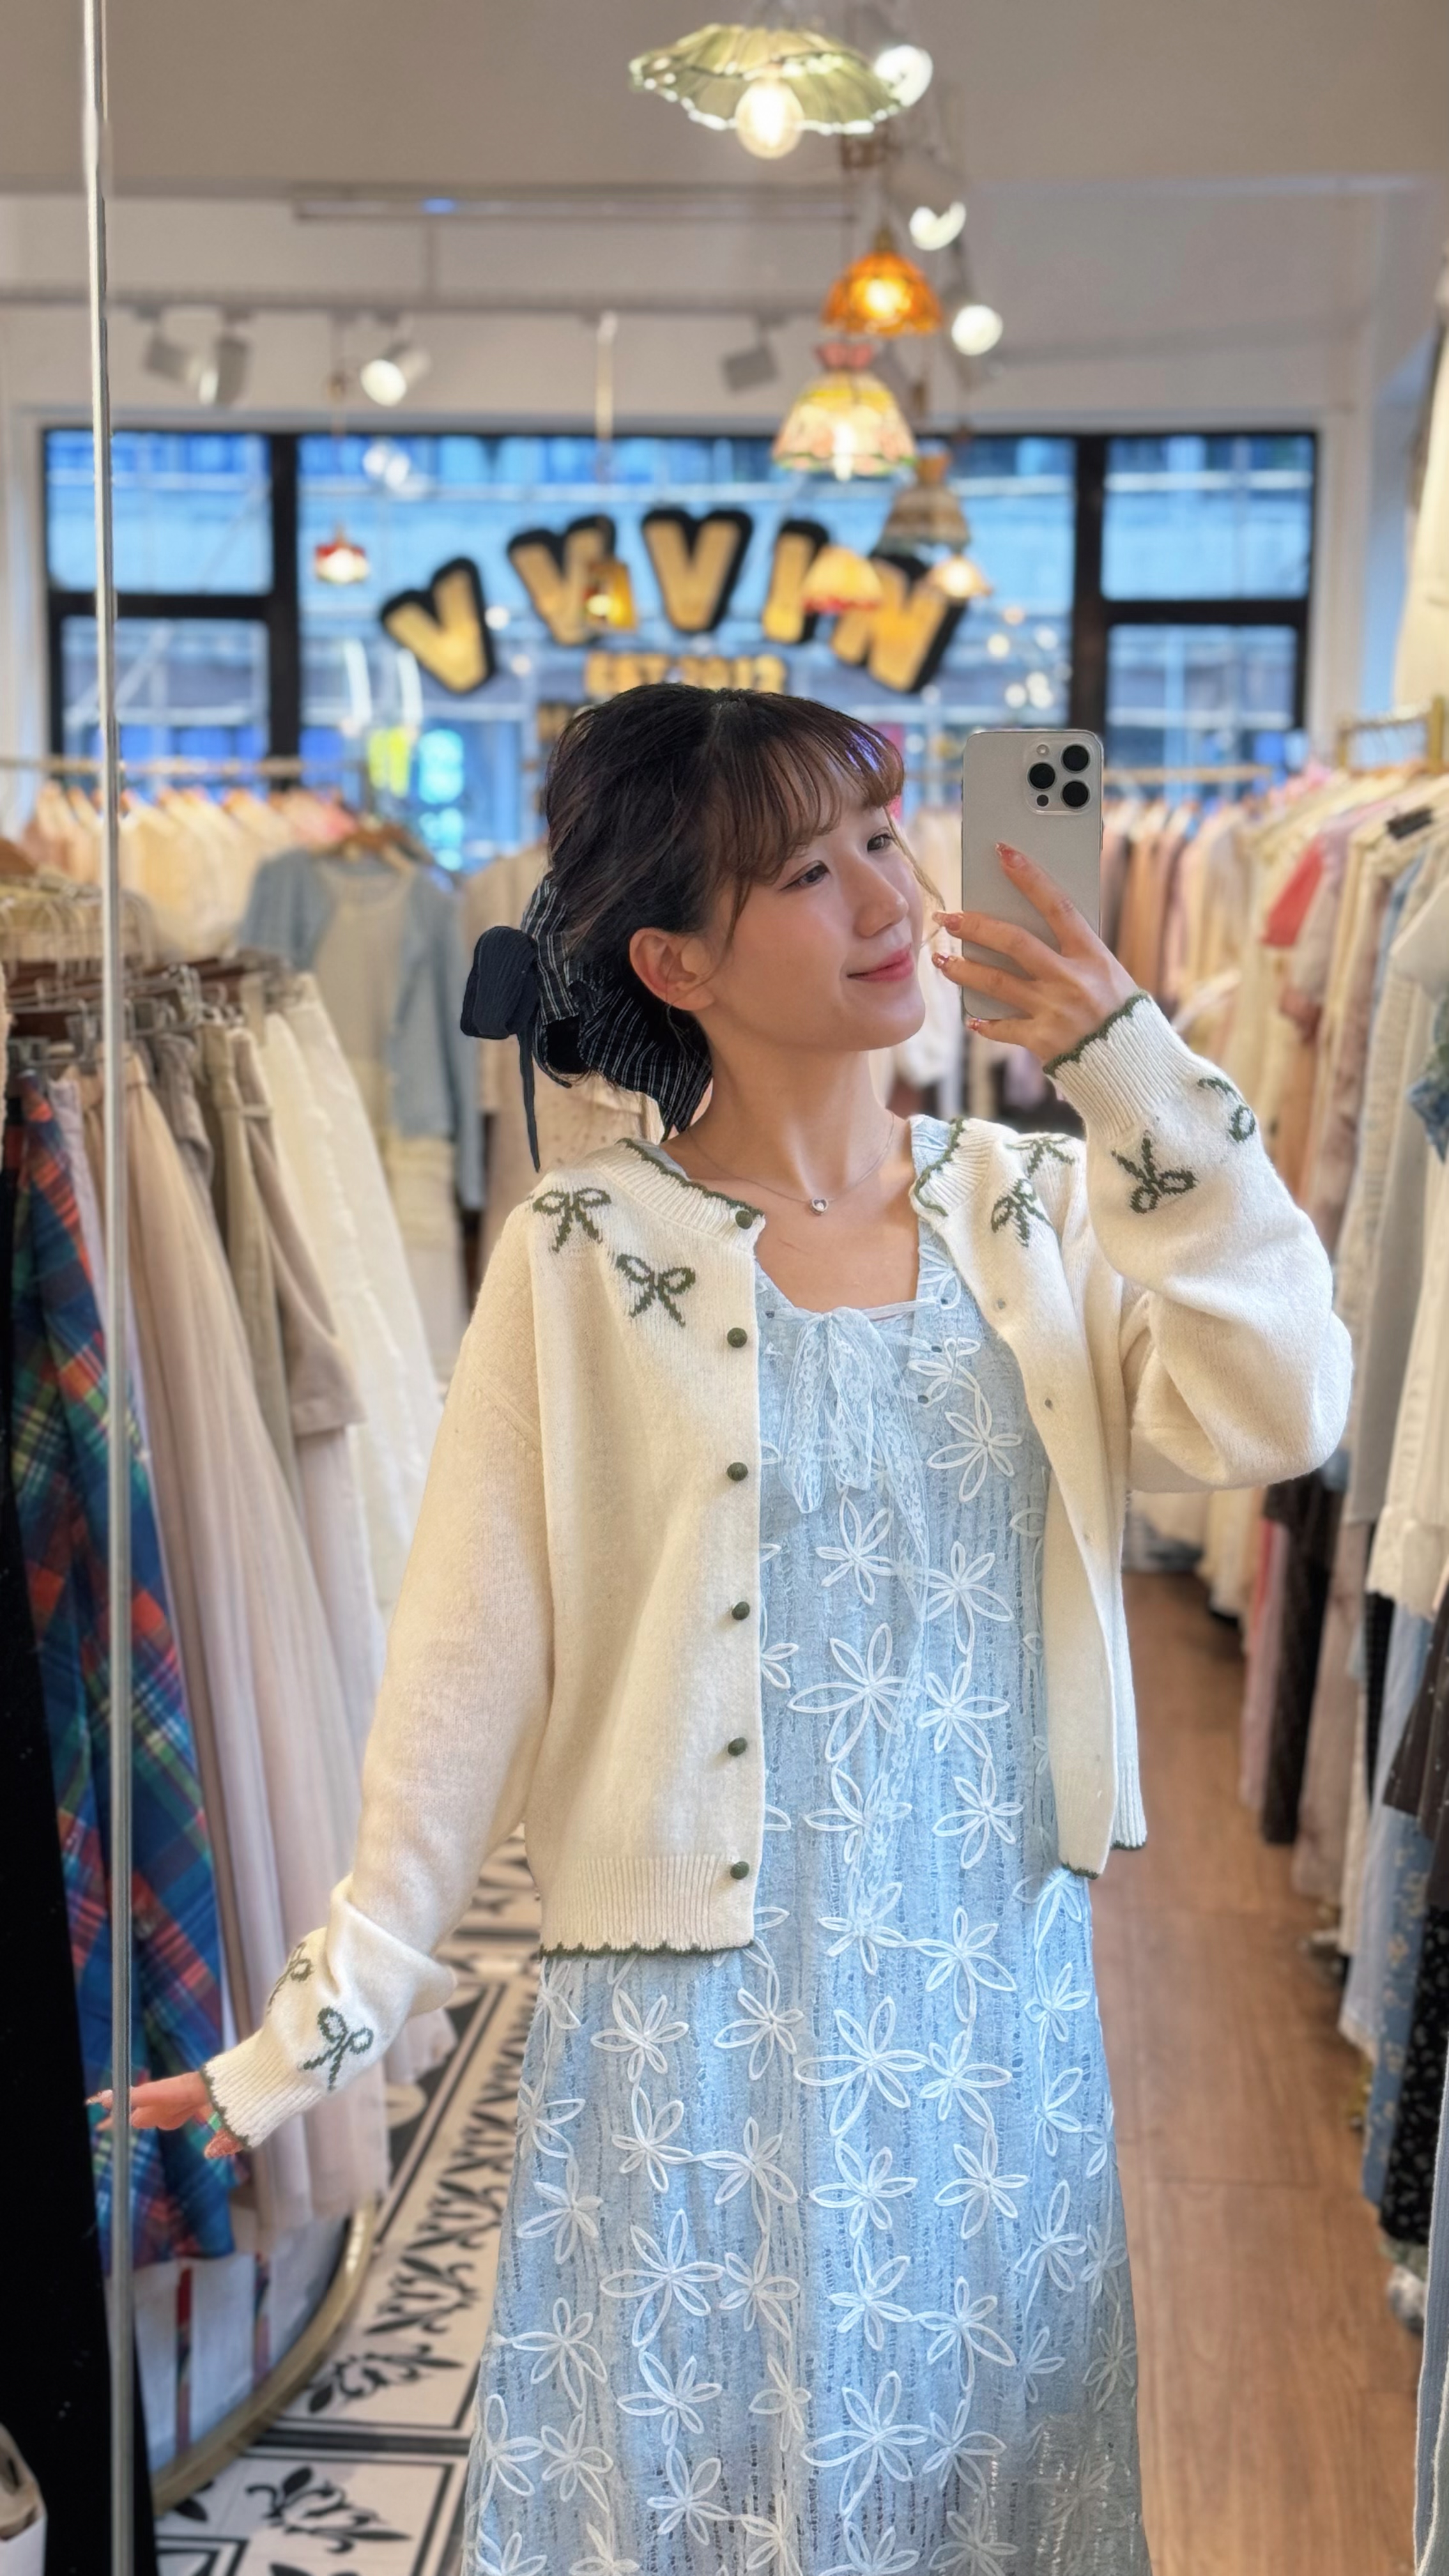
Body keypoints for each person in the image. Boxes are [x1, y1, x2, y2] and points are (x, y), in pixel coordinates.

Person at [121, 687, 1350, 2573]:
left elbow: (1283, 1415)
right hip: (681, 2029)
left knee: (964, 2495)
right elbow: (463, 1680)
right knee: (695, 2500)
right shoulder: (577, 1253)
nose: (888, 896)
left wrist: (1134, 1072)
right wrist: (310, 2034)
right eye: (806, 871)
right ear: (674, 960)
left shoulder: (1040, 1210)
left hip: (979, 2008)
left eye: (882, 839)